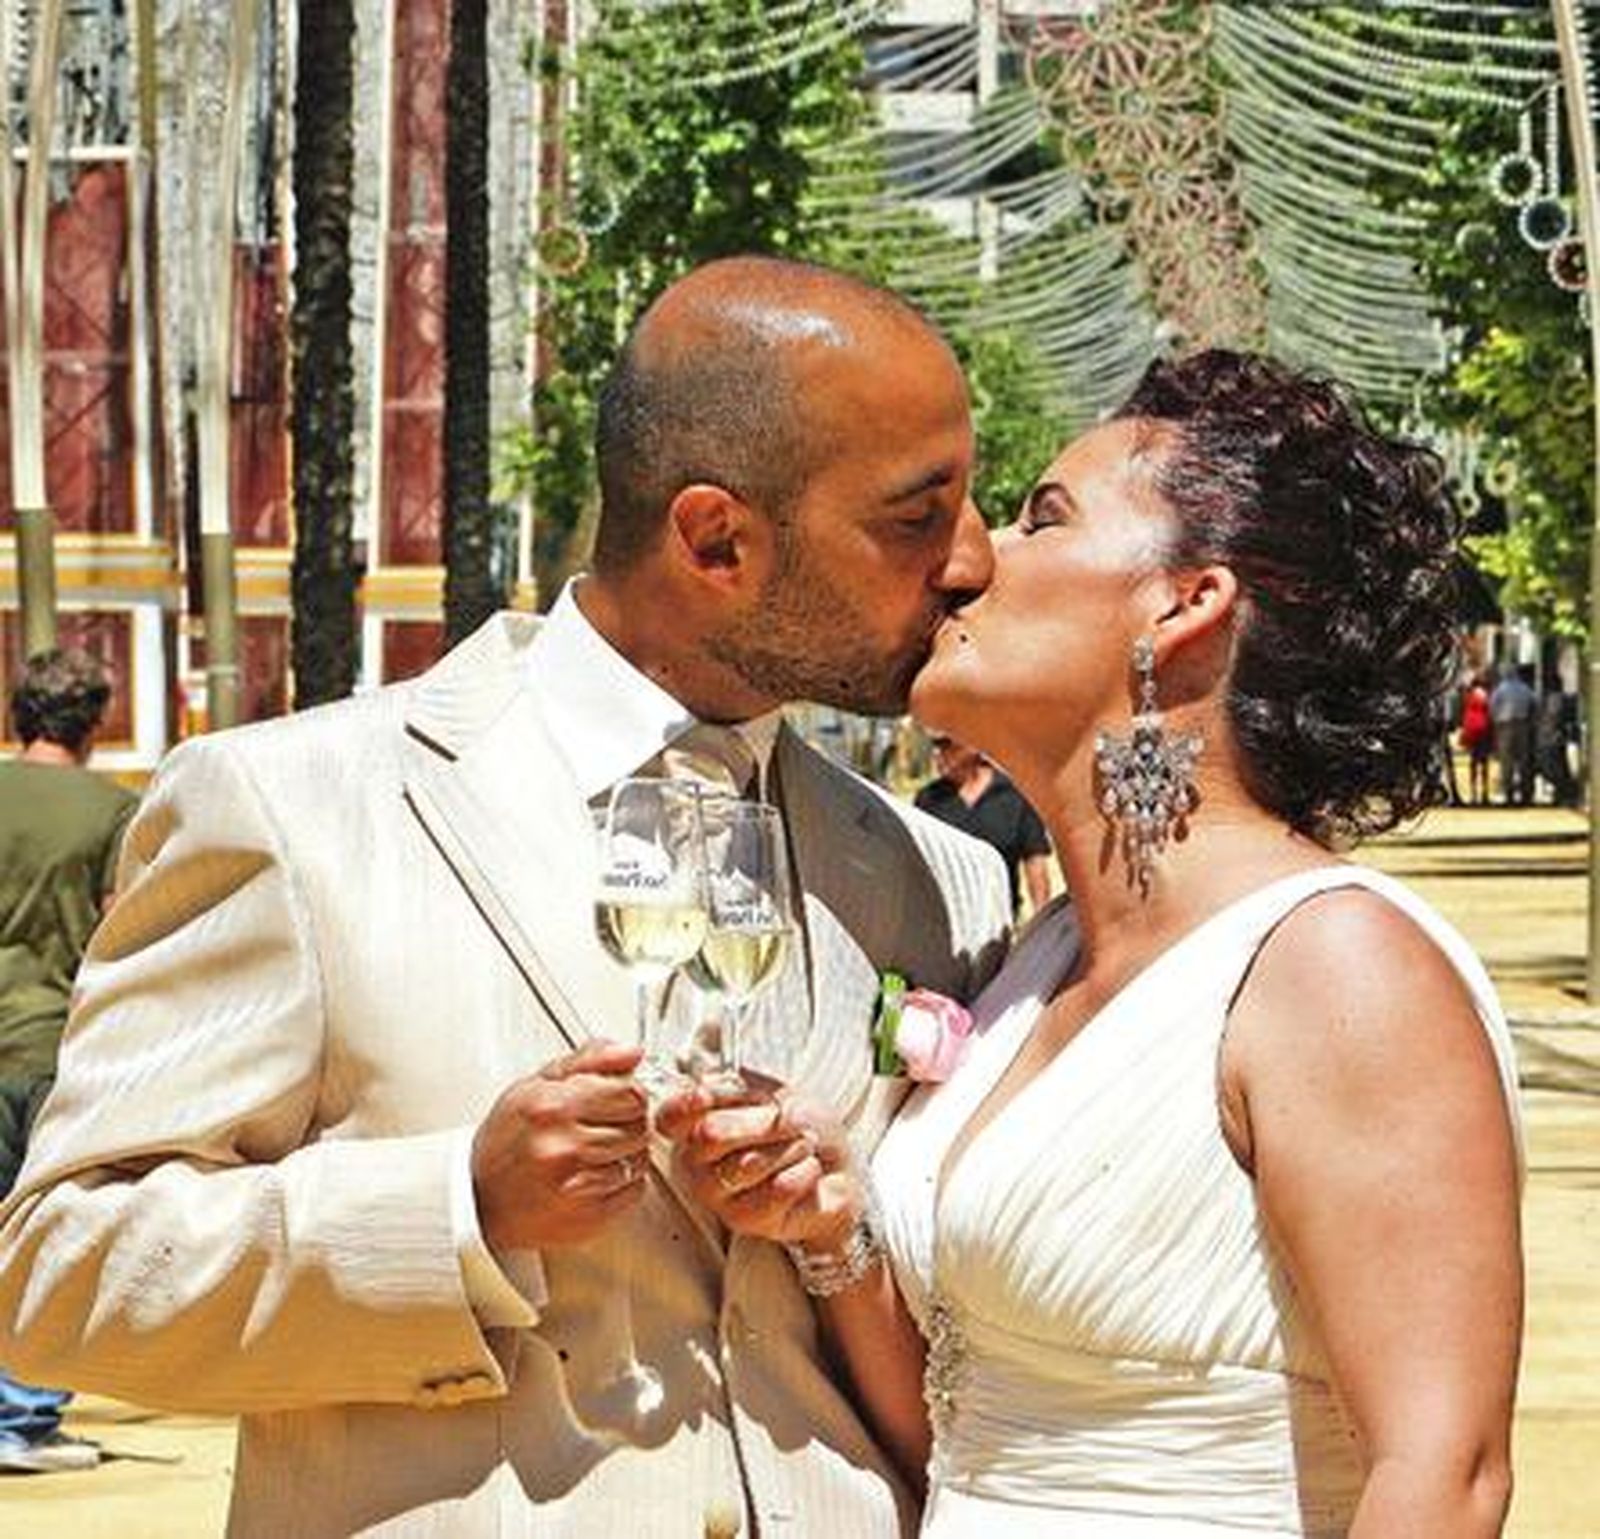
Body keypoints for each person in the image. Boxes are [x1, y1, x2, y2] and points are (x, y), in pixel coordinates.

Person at [0, 258, 1012, 1536]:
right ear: (714, 540)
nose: (971, 561)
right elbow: (58, 1276)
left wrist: (839, 1234)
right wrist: (452, 1213)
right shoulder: (290, 807)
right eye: (917, 517)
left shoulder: (940, 879)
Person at [669, 352, 1523, 1537]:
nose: (967, 562)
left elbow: (1444, 1475)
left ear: (1184, 604)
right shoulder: (1035, 961)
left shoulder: (1337, 969)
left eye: (1039, 519)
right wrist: (833, 1234)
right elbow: (974, 1433)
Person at [0, 648, 136, 1474]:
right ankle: (23, 1413)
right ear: (92, 724)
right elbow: (127, 928)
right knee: (40, 1231)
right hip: (54, 1047)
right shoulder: (111, 812)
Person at [915, 734, 1053, 914]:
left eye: (946, 746)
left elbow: (1035, 863)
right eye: (935, 746)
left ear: (974, 746)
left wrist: (1040, 919)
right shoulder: (928, 800)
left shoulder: (1016, 796)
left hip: (1000, 925)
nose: (937, 754)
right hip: (942, 922)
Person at [1490, 663, 1537, 806]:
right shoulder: (1525, 688)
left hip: (1505, 727)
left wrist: (1497, 723)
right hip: (1523, 726)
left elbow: (1492, 707)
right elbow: (1534, 704)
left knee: (1506, 762)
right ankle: (1525, 795)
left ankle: (1509, 795)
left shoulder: (1500, 689)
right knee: (1523, 761)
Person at [1459, 670, 1493, 806]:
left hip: (1472, 730)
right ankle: (1484, 794)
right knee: (1484, 763)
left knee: (1473, 763)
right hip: (1484, 730)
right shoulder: (1486, 695)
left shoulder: (1468, 695)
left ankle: (1473, 794)